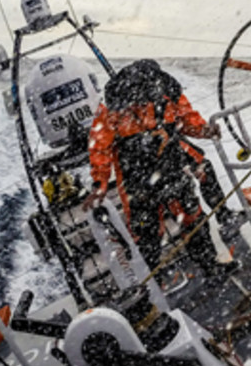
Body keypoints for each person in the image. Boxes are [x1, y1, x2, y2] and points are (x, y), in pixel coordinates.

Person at [86, 60, 240, 278]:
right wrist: (99, 184)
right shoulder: (110, 112)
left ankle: (211, 266)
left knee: (192, 215)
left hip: (171, 166)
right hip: (136, 180)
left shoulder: (169, 92)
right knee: (146, 233)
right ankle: (152, 286)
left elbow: (188, 120)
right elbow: (99, 149)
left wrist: (205, 130)